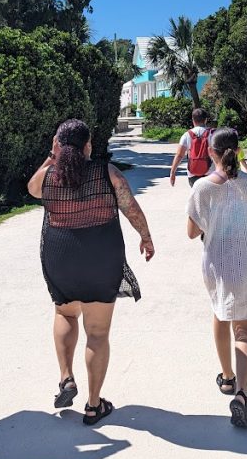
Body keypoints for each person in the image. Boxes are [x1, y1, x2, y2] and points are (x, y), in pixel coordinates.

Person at [28, 119, 154, 425]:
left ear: (57, 146)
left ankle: (66, 378)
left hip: (61, 257)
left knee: (66, 314)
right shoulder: (106, 173)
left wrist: (52, 155)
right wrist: (146, 237)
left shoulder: (47, 177)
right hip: (101, 257)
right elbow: (131, 208)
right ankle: (94, 405)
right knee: (97, 333)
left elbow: (31, 189)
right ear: (88, 147)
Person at [186, 128, 247, 429]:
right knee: (244, 331)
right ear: (237, 151)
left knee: (219, 315)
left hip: (215, 264)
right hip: (245, 262)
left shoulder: (202, 188)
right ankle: (242, 394)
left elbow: (191, 232)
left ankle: (226, 377)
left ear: (211, 152)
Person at [169, 108, 213, 186]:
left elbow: (179, 155)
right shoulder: (213, 133)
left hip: (193, 174)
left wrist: (172, 172)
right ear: (206, 120)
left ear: (193, 120)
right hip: (210, 172)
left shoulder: (186, 135)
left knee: (197, 196)